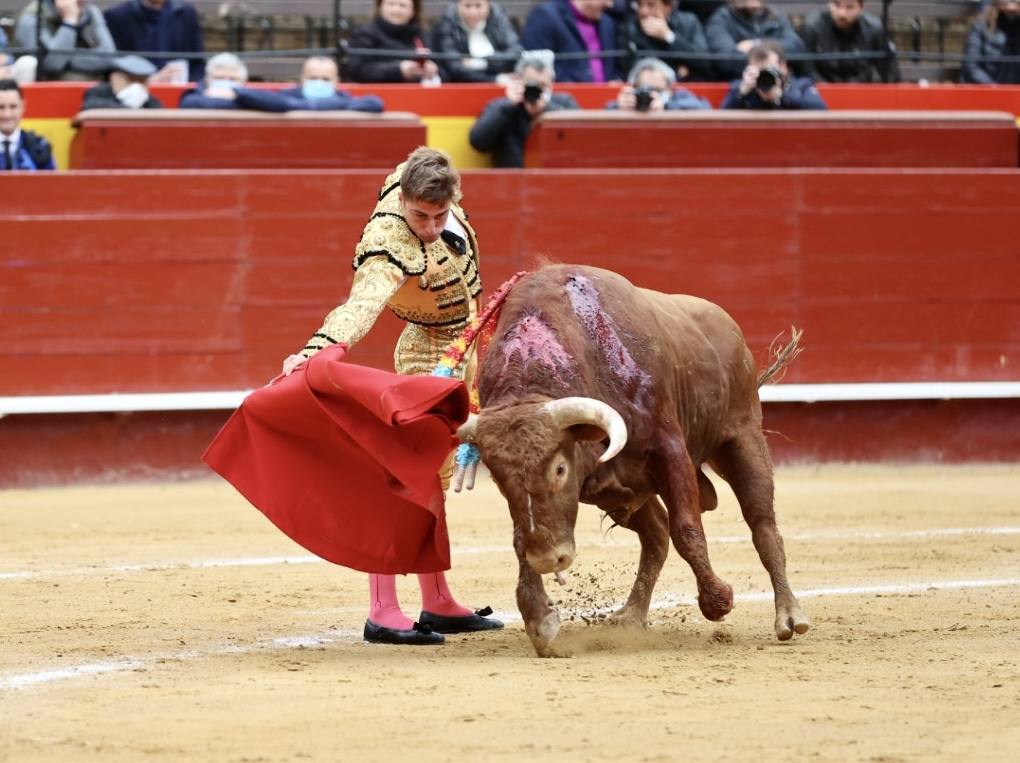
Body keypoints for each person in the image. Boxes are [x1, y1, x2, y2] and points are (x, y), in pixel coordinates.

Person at [279, 147, 502, 645]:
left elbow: (425, 161)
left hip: (467, 351)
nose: (428, 225)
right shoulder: (387, 243)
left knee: (434, 484)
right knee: (408, 476)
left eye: (439, 215)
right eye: (419, 215)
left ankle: (438, 600)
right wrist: (317, 350)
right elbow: (362, 304)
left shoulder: (427, 180)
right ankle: (382, 609)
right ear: (402, 201)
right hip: (428, 356)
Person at [469, 50, 579, 168]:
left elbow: (581, 139)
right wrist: (508, 106)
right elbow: (478, 142)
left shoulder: (565, 102)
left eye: (543, 85)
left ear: (551, 85)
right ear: (519, 81)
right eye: (532, 85)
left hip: (556, 179)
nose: (537, 91)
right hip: (511, 182)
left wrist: (547, 109)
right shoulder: (502, 106)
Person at [103, 0, 205, 83]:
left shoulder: (187, 13)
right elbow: (114, 65)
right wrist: (146, 80)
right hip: (137, 90)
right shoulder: (117, 16)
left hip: (180, 91)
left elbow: (197, 60)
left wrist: (188, 83)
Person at [521, 0, 622, 83]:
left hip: (610, 103)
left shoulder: (607, 23)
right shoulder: (545, 17)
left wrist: (616, 80)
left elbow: (616, 68)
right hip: (562, 104)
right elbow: (535, 70)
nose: (609, 3)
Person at [799, 0, 899, 83]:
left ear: (861, 7)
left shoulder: (874, 29)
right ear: (829, 3)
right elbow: (805, 71)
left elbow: (891, 74)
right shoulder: (811, 27)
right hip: (821, 96)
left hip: (861, 95)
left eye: (849, 7)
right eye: (837, 5)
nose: (842, 13)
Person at [14, 0, 116, 81]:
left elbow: (110, 56)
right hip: (50, 87)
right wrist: (70, 21)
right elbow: (54, 64)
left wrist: (68, 60)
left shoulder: (90, 10)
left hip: (95, 83)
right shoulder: (30, 17)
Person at [345, 0, 441, 84]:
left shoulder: (421, 35)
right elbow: (357, 71)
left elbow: (444, 70)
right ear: (380, 6)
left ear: (413, 10)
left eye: (402, 5)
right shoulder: (365, 33)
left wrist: (432, 70)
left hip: (417, 96)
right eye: (391, 4)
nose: (396, 10)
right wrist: (398, 70)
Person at [705, 0, 805, 81]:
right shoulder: (721, 19)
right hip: (739, 84)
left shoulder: (775, 16)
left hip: (782, 83)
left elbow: (797, 47)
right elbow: (726, 59)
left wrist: (756, 44)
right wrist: (767, 65)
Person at [430, 0, 522, 83]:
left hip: (504, 82)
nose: (473, 12)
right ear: (458, 6)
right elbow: (454, 67)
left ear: (488, 6)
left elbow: (514, 53)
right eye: (467, 6)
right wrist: (495, 79)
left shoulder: (499, 19)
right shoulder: (447, 23)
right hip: (461, 87)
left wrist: (480, 62)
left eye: (478, 5)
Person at [721, 41, 827, 110]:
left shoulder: (801, 85)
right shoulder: (742, 87)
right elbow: (721, 117)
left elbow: (821, 109)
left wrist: (782, 97)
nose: (763, 75)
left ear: (783, 66)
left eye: (768, 69)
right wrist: (741, 93)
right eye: (758, 70)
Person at [623, 0, 710, 81]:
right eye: (639, 4)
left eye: (651, 5)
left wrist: (669, 37)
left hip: (688, 89)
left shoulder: (689, 22)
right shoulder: (630, 28)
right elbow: (633, 67)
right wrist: (677, 71)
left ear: (668, 7)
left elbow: (704, 62)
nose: (643, 11)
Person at [179, 52, 294, 112]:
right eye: (219, 78)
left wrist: (236, 94)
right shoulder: (194, 95)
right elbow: (189, 103)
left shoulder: (246, 94)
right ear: (207, 79)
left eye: (233, 79)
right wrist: (248, 104)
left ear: (243, 82)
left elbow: (280, 103)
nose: (226, 82)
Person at [277, 56, 384, 112]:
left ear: (336, 82)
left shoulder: (342, 97)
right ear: (302, 79)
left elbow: (375, 103)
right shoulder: (288, 95)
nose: (319, 83)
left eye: (326, 79)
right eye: (313, 78)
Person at [608, 57, 711, 111]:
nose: (652, 95)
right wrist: (619, 108)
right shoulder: (627, 101)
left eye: (658, 90)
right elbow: (606, 110)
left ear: (670, 88)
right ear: (633, 87)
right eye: (645, 90)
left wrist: (666, 107)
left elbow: (705, 108)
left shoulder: (679, 96)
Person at [0, 79, 56, 170]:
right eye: (1, 107)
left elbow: (52, 183)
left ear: (23, 106)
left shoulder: (40, 147)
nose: (7, 114)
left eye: (13, 106)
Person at [963, 0, 1020, 84]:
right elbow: (971, 67)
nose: (1011, 6)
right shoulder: (981, 26)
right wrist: (995, 89)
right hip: (986, 90)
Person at [80, 54, 163, 110]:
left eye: (142, 81)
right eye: (132, 80)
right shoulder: (97, 92)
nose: (136, 86)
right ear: (115, 78)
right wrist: (129, 107)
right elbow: (89, 106)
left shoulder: (149, 100)